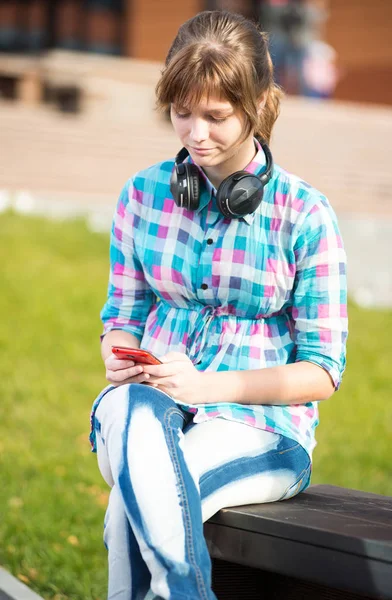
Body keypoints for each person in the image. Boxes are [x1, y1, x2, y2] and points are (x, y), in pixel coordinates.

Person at [89, 9, 348, 600]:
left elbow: (323, 373)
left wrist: (207, 387)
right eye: (182, 113)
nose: (196, 134)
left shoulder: (304, 214)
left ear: (256, 106)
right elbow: (121, 317)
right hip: (146, 416)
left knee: (126, 516)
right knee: (130, 406)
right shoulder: (142, 195)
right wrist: (119, 353)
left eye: (216, 117)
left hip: (259, 429)